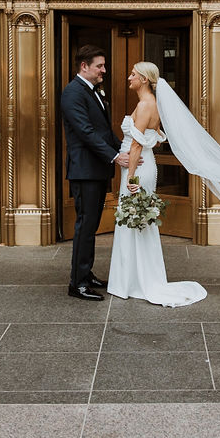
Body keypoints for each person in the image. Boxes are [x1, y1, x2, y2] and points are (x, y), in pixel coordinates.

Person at [107, 62, 207, 307]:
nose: (128, 77)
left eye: (132, 74)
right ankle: (135, 278)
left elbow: (136, 145)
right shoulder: (154, 103)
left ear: (143, 79)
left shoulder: (144, 105)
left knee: (133, 220)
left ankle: (134, 281)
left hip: (138, 168)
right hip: (144, 166)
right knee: (139, 222)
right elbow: (157, 137)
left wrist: (130, 177)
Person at [60, 45, 132, 301]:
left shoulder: (94, 92)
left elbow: (102, 130)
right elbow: (85, 131)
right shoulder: (72, 93)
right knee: (85, 226)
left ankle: (86, 273)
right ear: (84, 66)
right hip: (85, 171)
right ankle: (77, 283)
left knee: (90, 226)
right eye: (100, 66)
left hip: (97, 170)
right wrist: (115, 156)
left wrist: (125, 149)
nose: (104, 70)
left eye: (104, 65)